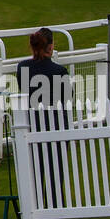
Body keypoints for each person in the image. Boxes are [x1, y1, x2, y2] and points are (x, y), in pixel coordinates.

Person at [17, 27, 71, 208]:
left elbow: (23, 91)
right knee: (56, 167)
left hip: (32, 123)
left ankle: (37, 204)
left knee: (36, 167)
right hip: (54, 123)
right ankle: (55, 205)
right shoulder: (60, 71)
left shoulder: (22, 67)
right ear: (51, 46)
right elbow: (66, 100)